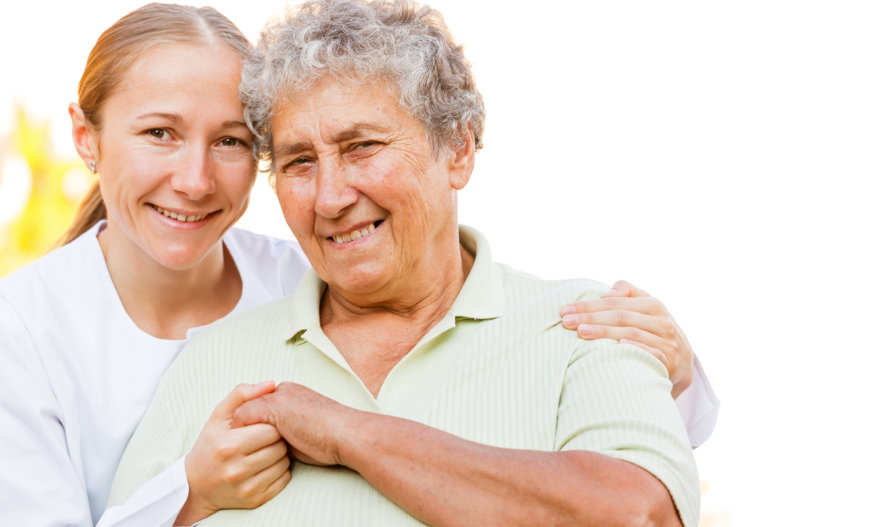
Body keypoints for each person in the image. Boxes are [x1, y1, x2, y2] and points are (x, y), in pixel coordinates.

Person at [108, 1, 700, 525]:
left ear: (459, 148)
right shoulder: (211, 360)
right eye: (299, 162)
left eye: (362, 146)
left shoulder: (587, 327)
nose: (331, 196)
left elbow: (638, 515)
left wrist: (346, 432)